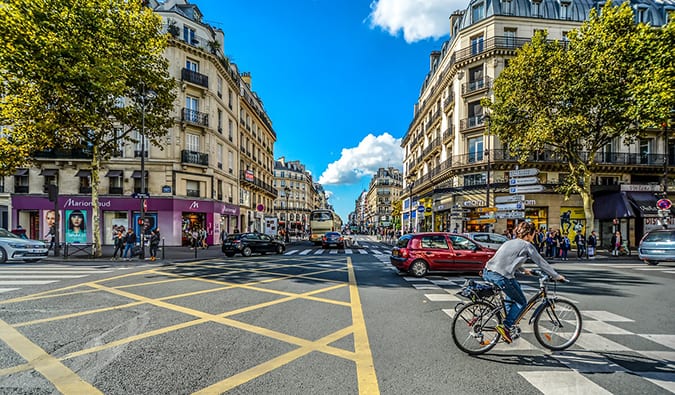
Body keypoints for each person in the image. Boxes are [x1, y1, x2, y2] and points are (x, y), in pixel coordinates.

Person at [482, 221, 565, 344]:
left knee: (515, 288)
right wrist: (556, 276)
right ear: (529, 234)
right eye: (534, 234)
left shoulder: (509, 242)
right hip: (501, 276)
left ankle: (509, 319)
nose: (534, 237)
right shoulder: (527, 245)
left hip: (488, 272)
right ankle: (506, 327)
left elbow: (507, 259)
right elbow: (541, 262)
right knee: (522, 302)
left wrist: (524, 270)